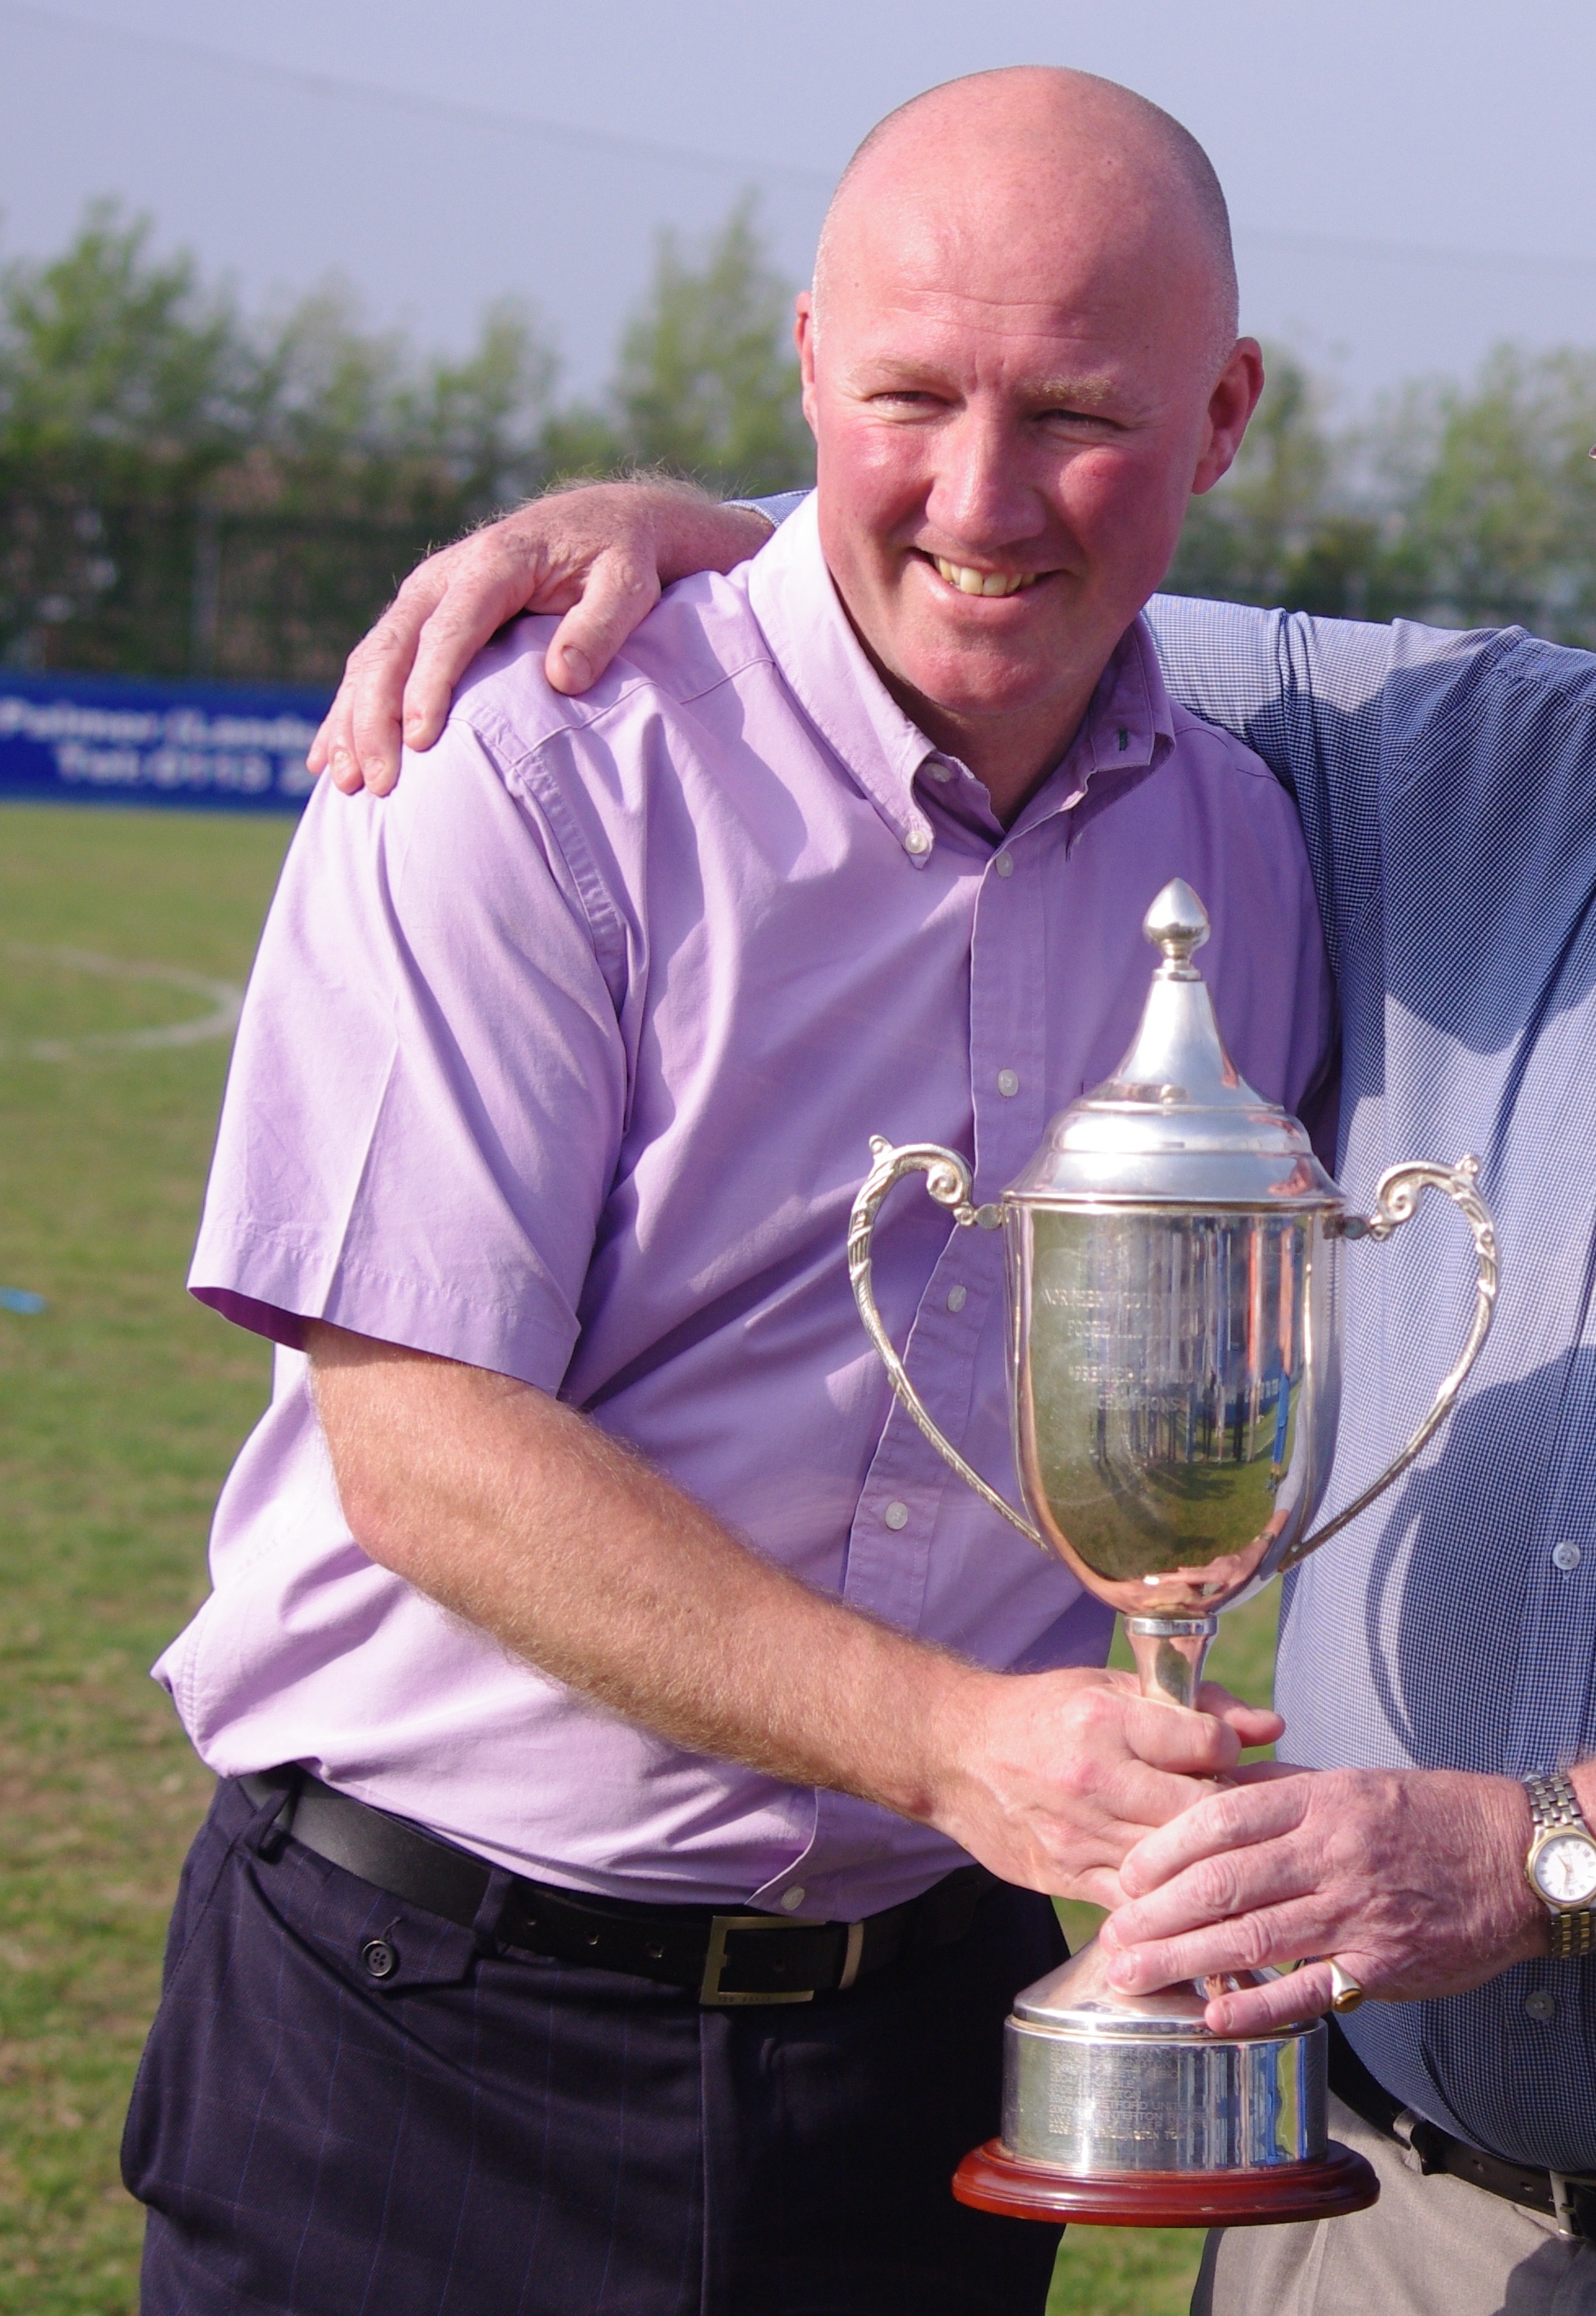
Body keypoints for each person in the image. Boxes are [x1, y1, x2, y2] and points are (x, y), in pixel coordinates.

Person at [312, 171, 1596, 2315]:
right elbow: (988, 555)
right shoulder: (1437, 767)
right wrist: (680, 524)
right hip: (1367, 2237)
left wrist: (1540, 1853)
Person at [128, 68, 1336, 2316]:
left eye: (1077, 412)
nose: (978, 499)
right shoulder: (518, 759)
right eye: (906, 397)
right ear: (804, 368)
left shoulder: (1254, 842)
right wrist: (962, 1744)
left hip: (923, 2057)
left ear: (1224, 412)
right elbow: (424, 1450)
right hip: (428, 2025)